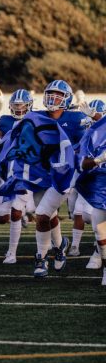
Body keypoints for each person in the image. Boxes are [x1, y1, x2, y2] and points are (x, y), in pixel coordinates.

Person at [0, 81, 76, 277]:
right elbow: (10, 138)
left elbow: (88, 140)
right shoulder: (34, 117)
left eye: (58, 95)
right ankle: (58, 246)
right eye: (51, 94)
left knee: (43, 214)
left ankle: (41, 257)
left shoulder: (76, 119)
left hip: (64, 176)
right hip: (38, 173)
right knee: (46, 214)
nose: (53, 99)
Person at [0, 90, 35, 264]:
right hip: (8, 172)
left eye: (22, 105)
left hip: (27, 171)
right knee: (3, 215)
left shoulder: (35, 119)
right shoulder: (5, 121)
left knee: (17, 210)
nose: (19, 108)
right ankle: (58, 242)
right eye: (16, 105)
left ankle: (12, 253)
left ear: (29, 105)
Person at [75, 114, 106, 285]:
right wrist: (99, 159)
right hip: (101, 187)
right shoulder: (96, 130)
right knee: (100, 230)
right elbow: (82, 164)